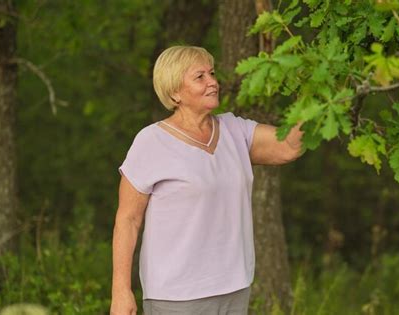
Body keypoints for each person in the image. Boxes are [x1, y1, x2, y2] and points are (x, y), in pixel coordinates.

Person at [110, 46, 304, 315]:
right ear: (175, 92)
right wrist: (121, 291)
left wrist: (314, 97)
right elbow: (128, 220)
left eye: (212, 73)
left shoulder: (236, 130)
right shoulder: (151, 142)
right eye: (199, 76)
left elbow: (289, 147)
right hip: (177, 296)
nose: (213, 81)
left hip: (234, 287)